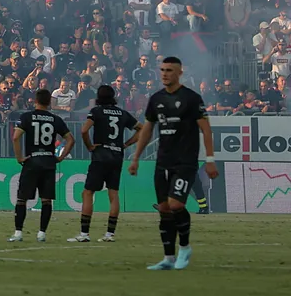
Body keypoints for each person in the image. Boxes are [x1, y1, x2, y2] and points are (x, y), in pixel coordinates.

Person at [128, 56, 217, 270]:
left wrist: (210, 159)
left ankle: (184, 248)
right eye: (162, 70)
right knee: (164, 209)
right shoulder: (156, 99)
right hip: (163, 161)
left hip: (185, 161)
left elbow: (205, 128)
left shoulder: (191, 98)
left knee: (176, 204)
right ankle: (168, 258)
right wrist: (136, 157)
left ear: (179, 73)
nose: (165, 73)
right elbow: (148, 129)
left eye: (169, 70)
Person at [71, 85, 140, 243]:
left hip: (100, 155)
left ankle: (84, 234)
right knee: (113, 193)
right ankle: (109, 234)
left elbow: (83, 130)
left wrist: (89, 146)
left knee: (88, 192)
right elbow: (141, 129)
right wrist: (126, 144)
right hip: (117, 155)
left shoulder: (96, 111)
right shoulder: (122, 113)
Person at [9, 89, 74, 243]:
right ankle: (41, 233)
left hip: (32, 161)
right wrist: (60, 157)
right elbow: (71, 139)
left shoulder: (26, 117)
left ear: (35, 101)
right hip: (48, 162)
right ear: (49, 102)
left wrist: (19, 157)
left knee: (22, 199)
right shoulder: (55, 119)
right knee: (46, 200)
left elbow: (15, 137)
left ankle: (18, 233)